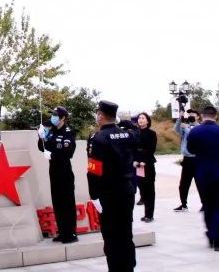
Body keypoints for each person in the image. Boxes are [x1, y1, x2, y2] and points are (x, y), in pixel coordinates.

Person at [87, 100, 137, 272]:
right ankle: (128, 267)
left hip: (109, 194)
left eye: (97, 114)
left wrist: (93, 195)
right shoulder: (128, 135)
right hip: (127, 189)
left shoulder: (98, 139)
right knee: (126, 232)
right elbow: (134, 131)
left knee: (111, 236)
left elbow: (94, 170)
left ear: (100, 116)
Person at [187, 105, 219, 251]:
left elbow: (190, 150)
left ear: (201, 116)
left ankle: (211, 234)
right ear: (216, 116)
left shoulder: (195, 131)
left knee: (208, 206)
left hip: (202, 175)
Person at [38, 106, 77, 243]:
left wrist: (53, 155)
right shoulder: (52, 131)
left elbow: (69, 152)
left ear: (63, 118)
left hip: (64, 170)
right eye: (52, 114)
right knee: (58, 201)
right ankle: (62, 231)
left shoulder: (68, 132)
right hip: (53, 170)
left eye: (56, 115)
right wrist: (41, 137)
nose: (53, 117)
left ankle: (71, 233)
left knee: (67, 202)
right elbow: (43, 147)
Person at [174, 109, 200, 211]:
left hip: (197, 159)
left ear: (198, 116)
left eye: (193, 114)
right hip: (187, 159)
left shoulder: (201, 127)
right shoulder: (185, 126)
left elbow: (195, 137)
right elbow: (176, 129)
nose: (190, 115)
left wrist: (187, 128)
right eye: (189, 114)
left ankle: (205, 204)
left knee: (200, 183)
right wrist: (180, 118)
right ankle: (183, 204)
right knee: (183, 184)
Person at [133, 112, 157, 223]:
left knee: (149, 191)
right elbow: (133, 149)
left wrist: (144, 161)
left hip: (147, 164)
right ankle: (145, 214)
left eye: (143, 118)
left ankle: (149, 215)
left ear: (147, 121)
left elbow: (151, 149)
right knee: (142, 189)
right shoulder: (135, 133)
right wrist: (134, 160)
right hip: (137, 164)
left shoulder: (151, 133)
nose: (140, 120)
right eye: (139, 118)